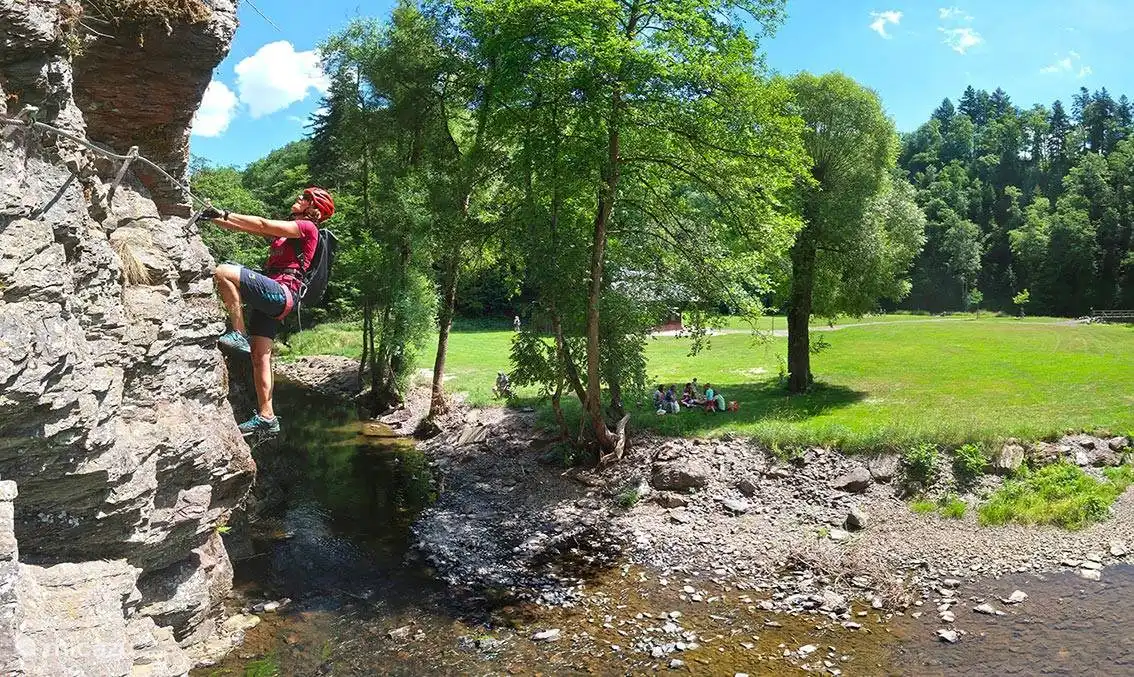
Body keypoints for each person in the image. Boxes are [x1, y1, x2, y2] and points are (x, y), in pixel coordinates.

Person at [203, 187, 334, 438]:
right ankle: (267, 416)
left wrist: (222, 213)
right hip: (275, 299)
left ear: (313, 208)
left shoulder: (308, 228)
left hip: (282, 292)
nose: (298, 199)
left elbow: (261, 224)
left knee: (223, 271)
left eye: (304, 199)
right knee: (259, 358)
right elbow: (245, 227)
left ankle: (238, 334)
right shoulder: (288, 235)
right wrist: (215, 217)